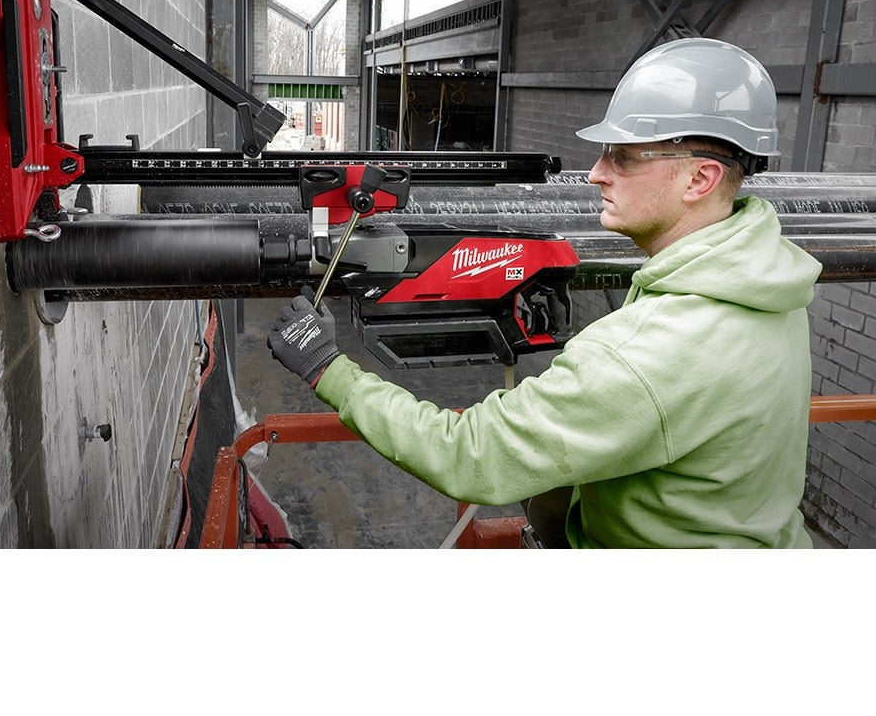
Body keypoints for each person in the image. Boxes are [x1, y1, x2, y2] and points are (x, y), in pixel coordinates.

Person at [267, 38, 823, 548]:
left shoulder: (646, 353)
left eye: (623, 156)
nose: (596, 173)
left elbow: (469, 455)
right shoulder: (765, 282)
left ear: (699, 180)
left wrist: (326, 368)